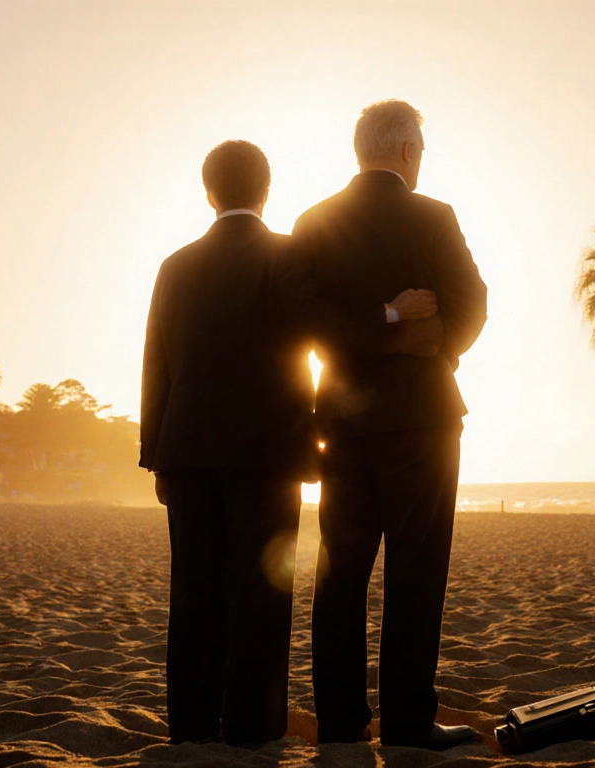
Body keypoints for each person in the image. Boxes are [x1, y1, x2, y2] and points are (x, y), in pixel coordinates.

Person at [140, 140, 439, 746]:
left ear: (208, 192)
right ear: (266, 189)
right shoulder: (283, 255)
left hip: (190, 450)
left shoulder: (174, 265)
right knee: (261, 593)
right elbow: (318, 329)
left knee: (193, 592)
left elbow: (156, 365)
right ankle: (253, 727)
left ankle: (192, 727)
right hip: (267, 449)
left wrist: (157, 455)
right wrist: (390, 314)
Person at [293, 100, 488, 750]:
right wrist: (425, 340)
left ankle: (342, 723)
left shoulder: (313, 222)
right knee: (416, 573)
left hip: (342, 425)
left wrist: (393, 339)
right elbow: (474, 302)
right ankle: (407, 722)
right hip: (423, 423)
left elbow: (308, 325)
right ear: (406, 152)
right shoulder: (433, 216)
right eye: (422, 151)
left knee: (340, 574)